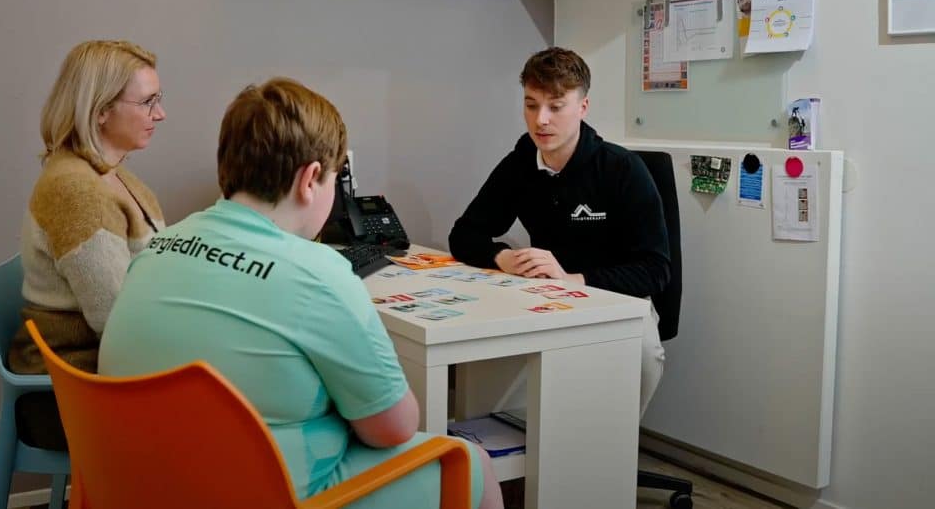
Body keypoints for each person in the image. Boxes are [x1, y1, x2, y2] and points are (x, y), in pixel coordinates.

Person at [98, 79, 503, 509]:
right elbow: (394, 428)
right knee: (469, 461)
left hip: (137, 487)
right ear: (311, 179)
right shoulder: (319, 272)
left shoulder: (157, 247)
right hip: (272, 496)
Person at [448, 46, 668, 418]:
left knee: (645, 355)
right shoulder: (521, 163)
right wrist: (504, 257)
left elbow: (656, 270)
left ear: (582, 107)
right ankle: (514, 455)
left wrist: (572, 278)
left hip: (616, 298)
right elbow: (464, 234)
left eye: (556, 105)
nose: (541, 120)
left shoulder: (622, 169)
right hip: (545, 296)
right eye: (531, 105)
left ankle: (606, 453)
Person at [7, 39, 166, 450]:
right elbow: (118, 321)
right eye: (148, 102)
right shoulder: (77, 192)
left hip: (96, 374)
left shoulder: (116, 177)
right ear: (100, 111)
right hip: (67, 392)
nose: (160, 114)